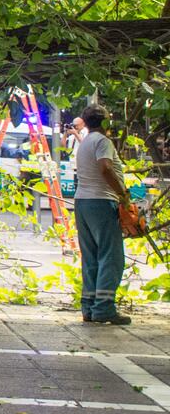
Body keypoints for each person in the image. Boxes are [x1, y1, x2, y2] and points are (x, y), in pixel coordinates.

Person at [73, 104, 133, 325]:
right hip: (102, 201)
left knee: (91, 257)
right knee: (111, 257)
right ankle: (104, 308)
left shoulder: (85, 142)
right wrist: (123, 194)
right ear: (105, 122)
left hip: (83, 202)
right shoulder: (102, 142)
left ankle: (89, 306)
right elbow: (105, 168)